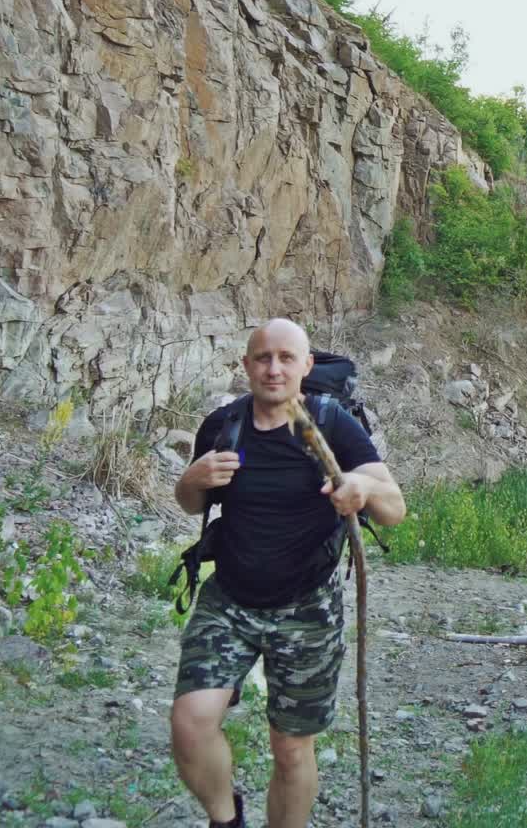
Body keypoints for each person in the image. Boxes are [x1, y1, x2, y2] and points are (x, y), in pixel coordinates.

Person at [169, 318, 406, 828]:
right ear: (246, 365)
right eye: (262, 358)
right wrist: (190, 480)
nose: (273, 368)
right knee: (190, 724)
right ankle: (225, 816)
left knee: (291, 750)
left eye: (285, 358)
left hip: (307, 608)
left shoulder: (332, 425)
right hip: (229, 600)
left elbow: (394, 507)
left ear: (306, 366)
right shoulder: (223, 425)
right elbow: (193, 504)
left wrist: (361, 490)